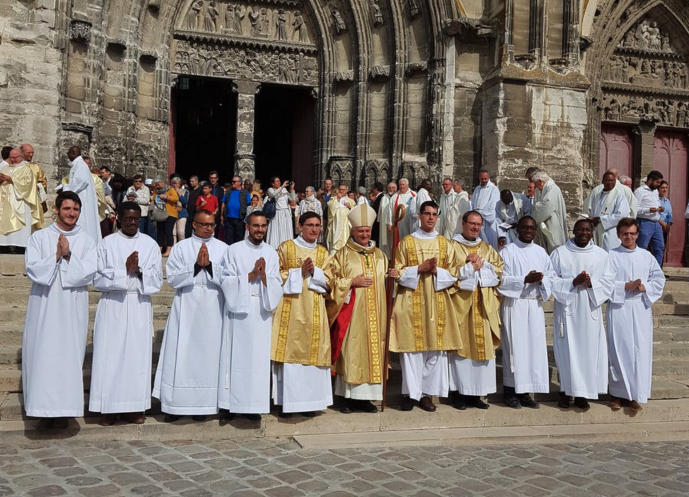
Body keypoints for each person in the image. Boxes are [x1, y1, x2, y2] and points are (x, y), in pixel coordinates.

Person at [22, 191, 98, 429]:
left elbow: (89, 271)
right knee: (42, 353)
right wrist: (55, 255)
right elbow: (32, 269)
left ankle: (65, 410)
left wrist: (68, 255)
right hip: (44, 303)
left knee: (69, 353)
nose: (71, 214)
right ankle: (42, 410)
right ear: (56, 209)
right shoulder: (40, 237)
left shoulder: (86, 240)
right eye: (67, 209)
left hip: (72, 304)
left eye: (76, 209)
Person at [90, 201, 163, 426]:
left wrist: (138, 271)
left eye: (136, 218)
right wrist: (123, 271)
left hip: (138, 303)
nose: (132, 222)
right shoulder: (106, 243)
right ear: (119, 218)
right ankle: (108, 408)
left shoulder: (149, 244)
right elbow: (96, 278)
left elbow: (157, 280)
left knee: (136, 358)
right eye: (128, 218)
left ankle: (134, 407)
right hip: (113, 304)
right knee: (109, 356)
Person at [153, 210, 229, 422]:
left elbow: (231, 279)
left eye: (212, 224)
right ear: (194, 225)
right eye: (204, 224)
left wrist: (211, 267)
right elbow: (174, 280)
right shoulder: (181, 248)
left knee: (209, 357)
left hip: (214, 306)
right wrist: (196, 266)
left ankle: (204, 406)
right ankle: (175, 405)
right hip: (186, 305)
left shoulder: (224, 249)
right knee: (181, 354)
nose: (209, 228)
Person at [390, 201, 462, 412]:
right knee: (411, 351)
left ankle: (426, 394)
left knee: (434, 351)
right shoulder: (407, 242)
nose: (431, 218)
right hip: (411, 300)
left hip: (437, 300)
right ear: (419, 216)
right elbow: (397, 272)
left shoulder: (445, 244)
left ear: (437, 217)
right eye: (427, 214)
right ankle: (408, 394)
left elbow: (455, 274)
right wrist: (419, 268)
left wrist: (437, 272)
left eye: (434, 214)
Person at [219, 211, 283, 421]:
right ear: (247, 227)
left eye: (263, 226)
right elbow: (225, 280)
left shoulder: (271, 252)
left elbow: (276, 284)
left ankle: (253, 405)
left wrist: (264, 277)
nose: (260, 230)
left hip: (262, 310)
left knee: (258, 361)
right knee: (234, 358)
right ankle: (229, 404)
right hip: (239, 310)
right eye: (256, 226)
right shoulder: (234, 250)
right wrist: (251, 275)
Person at [327, 204, 391, 414]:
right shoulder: (342, 254)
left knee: (373, 351)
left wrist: (393, 277)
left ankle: (366, 400)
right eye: (360, 231)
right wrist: (350, 282)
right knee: (352, 350)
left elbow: (386, 283)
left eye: (367, 230)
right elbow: (331, 281)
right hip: (352, 313)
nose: (364, 234)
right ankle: (346, 398)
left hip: (377, 314)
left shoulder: (380, 255)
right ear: (353, 231)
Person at [271, 212, 333, 417]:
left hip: (315, 309)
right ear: (299, 226)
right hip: (290, 308)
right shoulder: (286, 247)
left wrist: (315, 272)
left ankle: (309, 403)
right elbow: (276, 276)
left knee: (312, 358)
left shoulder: (323, 253)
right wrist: (299, 272)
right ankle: (287, 404)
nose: (314, 229)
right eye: (309, 225)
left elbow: (332, 280)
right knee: (291, 357)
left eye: (318, 225)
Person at [550, 219, 615, 410]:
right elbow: (551, 279)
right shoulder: (560, 253)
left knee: (587, 352)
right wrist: (572, 282)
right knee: (566, 351)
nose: (584, 233)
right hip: (567, 311)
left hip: (590, 311)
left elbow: (609, 282)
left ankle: (582, 395)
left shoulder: (601, 255)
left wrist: (591, 283)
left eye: (587, 229)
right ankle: (564, 392)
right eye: (580, 229)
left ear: (592, 231)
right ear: (574, 231)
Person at [607, 218, 666, 411]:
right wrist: (625, 286)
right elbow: (605, 282)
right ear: (618, 235)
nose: (629, 237)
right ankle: (617, 394)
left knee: (638, 351)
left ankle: (634, 394)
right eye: (625, 233)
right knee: (619, 349)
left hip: (640, 307)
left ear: (637, 234)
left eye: (632, 233)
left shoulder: (646, 256)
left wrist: (644, 287)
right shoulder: (611, 256)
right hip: (619, 307)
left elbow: (658, 279)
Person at [498, 216, 553, 409]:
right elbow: (500, 280)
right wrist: (524, 279)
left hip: (534, 306)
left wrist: (541, 281)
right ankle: (510, 391)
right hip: (515, 304)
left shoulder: (541, 252)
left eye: (532, 228)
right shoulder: (507, 251)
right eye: (525, 228)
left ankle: (526, 393)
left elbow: (551, 277)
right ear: (518, 229)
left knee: (532, 350)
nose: (528, 231)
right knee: (514, 349)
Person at [450, 210, 503, 410]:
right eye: (471, 223)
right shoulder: (451, 246)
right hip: (462, 305)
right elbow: (447, 272)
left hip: (483, 306)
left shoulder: (487, 248)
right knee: (461, 351)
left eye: (478, 224)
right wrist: (468, 267)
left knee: (482, 351)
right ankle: (459, 394)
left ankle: (477, 394)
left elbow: (499, 271)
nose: (475, 228)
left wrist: (483, 265)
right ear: (463, 223)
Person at [0, 148, 40, 250]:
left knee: (19, 225)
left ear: (21, 157)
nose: (12, 160)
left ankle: (20, 246)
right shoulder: (5, 168)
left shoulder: (26, 169)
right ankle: (4, 246)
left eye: (15, 158)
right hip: (5, 202)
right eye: (11, 158)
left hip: (19, 202)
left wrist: (12, 180)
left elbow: (28, 185)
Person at [63, 146, 102, 244]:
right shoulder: (78, 164)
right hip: (81, 198)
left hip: (82, 200)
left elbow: (81, 181)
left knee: (83, 222)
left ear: (73, 153)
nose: (67, 156)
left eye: (68, 153)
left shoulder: (79, 164)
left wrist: (67, 190)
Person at [583, 171, 630, 251]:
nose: (610, 183)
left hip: (611, 232)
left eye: (613, 181)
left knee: (610, 253)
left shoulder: (619, 196)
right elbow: (593, 211)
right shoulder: (598, 196)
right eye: (608, 180)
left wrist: (600, 219)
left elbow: (621, 216)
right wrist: (591, 218)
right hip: (597, 230)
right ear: (603, 182)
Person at [532, 171, 568, 254]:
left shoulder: (553, 189)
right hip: (545, 222)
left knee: (553, 244)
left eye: (536, 183)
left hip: (553, 222)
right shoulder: (542, 189)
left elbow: (547, 206)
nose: (535, 186)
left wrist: (537, 207)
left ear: (540, 181)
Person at [634, 170, 665, 266]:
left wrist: (660, 208)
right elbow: (635, 209)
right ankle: (639, 270)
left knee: (659, 247)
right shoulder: (639, 191)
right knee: (642, 247)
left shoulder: (655, 191)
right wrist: (648, 210)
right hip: (644, 222)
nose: (658, 185)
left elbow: (656, 203)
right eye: (657, 182)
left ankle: (656, 271)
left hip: (656, 223)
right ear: (650, 180)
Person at [469, 170, 500, 249]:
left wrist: (480, 213)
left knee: (489, 244)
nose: (484, 181)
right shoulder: (477, 189)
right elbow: (472, 203)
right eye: (482, 179)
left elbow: (493, 205)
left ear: (488, 178)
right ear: (479, 178)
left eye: (485, 179)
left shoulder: (494, 189)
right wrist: (473, 215)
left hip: (488, 222)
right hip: (477, 220)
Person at [20, 143, 48, 225]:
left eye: (32, 152)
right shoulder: (17, 166)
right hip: (21, 200)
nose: (31, 155)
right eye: (28, 152)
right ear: (21, 152)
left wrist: (38, 186)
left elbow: (43, 181)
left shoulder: (36, 167)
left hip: (34, 200)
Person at [222, 175, 251, 245]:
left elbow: (249, 206)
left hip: (240, 219)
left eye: (234, 182)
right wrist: (221, 215)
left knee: (238, 238)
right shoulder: (229, 192)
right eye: (232, 181)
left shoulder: (245, 193)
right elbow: (223, 203)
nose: (233, 183)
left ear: (240, 183)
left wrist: (247, 219)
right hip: (228, 218)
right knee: (228, 238)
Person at [153, 177, 179, 257]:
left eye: (158, 184)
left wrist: (166, 197)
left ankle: (168, 250)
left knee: (168, 232)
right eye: (155, 185)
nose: (157, 186)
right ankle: (159, 249)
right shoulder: (156, 191)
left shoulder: (170, 189)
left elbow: (176, 198)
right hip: (160, 213)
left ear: (162, 182)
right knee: (160, 232)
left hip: (170, 214)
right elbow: (154, 199)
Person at [327, 184, 355, 254]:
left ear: (346, 191)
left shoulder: (351, 201)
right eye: (340, 189)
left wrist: (350, 207)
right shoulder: (333, 199)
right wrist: (338, 200)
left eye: (343, 190)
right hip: (336, 227)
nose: (341, 191)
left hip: (346, 228)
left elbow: (355, 213)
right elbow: (330, 210)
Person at [266, 176, 294, 249]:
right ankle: (275, 246)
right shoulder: (270, 189)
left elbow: (292, 199)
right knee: (276, 230)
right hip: (277, 213)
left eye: (279, 181)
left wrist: (292, 189)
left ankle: (286, 246)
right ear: (273, 183)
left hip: (285, 212)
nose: (279, 182)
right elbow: (273, 194)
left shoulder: (284, 190)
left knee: (286, 230)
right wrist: (282, 187)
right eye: (277, 181)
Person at [387, 178, 416, 245]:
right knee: (400, 241)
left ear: (407, 185)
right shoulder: (395, 196)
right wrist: (389, 223)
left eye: (403, 184)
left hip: (410, 222)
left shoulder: (414, 195)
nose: (401, 186)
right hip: (399, 223)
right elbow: (390, 210)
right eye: (400, 185)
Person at [378, 181, 397, 259]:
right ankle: (386, 258)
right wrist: (379, 220)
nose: (391, 189)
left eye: (393, 188)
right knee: (385, 242)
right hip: (384, 224)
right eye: (389, 187)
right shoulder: (384, 198)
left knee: (393, 240)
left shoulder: (397, 197)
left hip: (394, 224)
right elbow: (380, 210)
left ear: (396, 188)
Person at [658, 180, 673, 259]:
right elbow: (655, 214)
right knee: (657, 247)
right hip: (658, 226)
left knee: (662, 247)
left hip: (665, 228)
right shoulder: (656, 200)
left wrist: (668, 225)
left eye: (666, 188)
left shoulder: (667, 201)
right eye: (662, 188)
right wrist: (663, 224)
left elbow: (670, 214)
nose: (664, 190)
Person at [171, 177, 188, 244]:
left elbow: (184, 202)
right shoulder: (170, 191)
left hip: (182, 214)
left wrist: (179, 194)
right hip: (172, 213)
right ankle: (173, 247)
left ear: (179, 184)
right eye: (173, 183)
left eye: (176, 183)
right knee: (173, 233)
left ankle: (182, 247)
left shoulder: (185, 192)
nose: (174, 185)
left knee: (181, 232)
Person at [208, 171, 224, 238]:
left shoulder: (220, 189)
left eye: (214, 178)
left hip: (217, 213)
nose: (213, 179)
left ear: (217, 178)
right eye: (211, 178)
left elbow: (222, 203)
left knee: (216, 231)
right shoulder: (206, 188)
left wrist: (221, 214)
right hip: (208, 212)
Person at [369, 182, 385, 247]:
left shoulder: (381, 197)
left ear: (376, 189)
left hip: (378, 222)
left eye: (373, 189)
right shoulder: (380, 197)